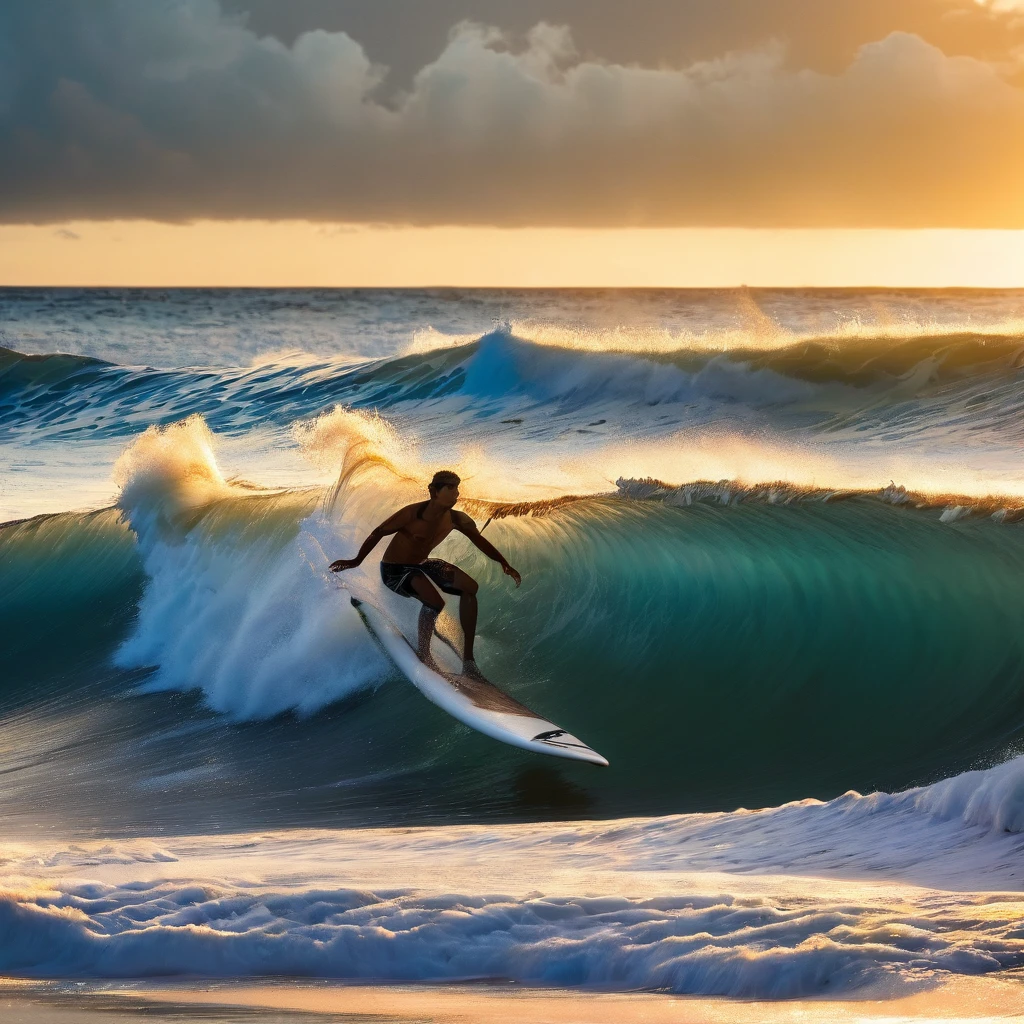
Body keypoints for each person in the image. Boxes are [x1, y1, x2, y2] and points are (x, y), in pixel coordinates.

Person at [329, 470, 521, 678]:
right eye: (451, 488)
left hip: (422, 564)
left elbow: (479, 541)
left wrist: (503, 563)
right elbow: (378, 532)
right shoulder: (412, 514)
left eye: (457, 487)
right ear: (434, 491)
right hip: (395, 570)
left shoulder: (457, 519)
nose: (457, 493)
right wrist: (355, 561)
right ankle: (424, 654)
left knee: (470, 588)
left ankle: (468, 661)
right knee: (435, 602)